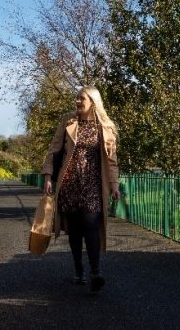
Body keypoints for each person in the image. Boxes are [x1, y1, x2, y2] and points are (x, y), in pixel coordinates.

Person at [41, 86, 120, 293]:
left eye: (81, 98)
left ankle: (95, 272)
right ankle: (78, 269)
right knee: (75, 229)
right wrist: (48, 176)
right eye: (76, 97)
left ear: (93, 101)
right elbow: (54, 149)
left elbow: (111, 161)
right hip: (69, 182)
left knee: (91, 225)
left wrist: (114, 185)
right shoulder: (68, 121)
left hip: (93, 183)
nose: (77, 101)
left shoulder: (105, 126)